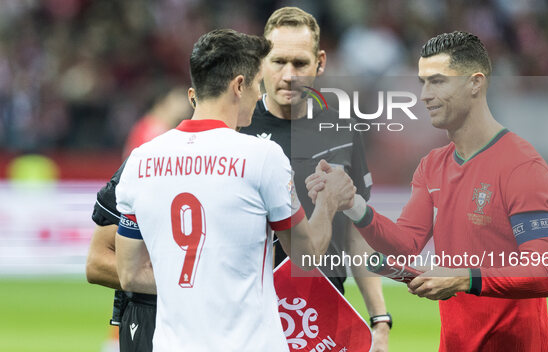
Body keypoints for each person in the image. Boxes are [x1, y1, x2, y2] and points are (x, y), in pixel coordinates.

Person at [307, 31, 548, 352]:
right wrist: (352, 204)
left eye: (438, 81)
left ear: (475, 83)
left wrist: (464, 278)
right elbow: (406, 244)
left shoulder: (521, 167)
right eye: (423, 82)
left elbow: (547, 272)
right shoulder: (433, 165)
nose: (424, 95)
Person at [114, 28, 355, 351]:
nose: (260, 96)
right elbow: (305, 255)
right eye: (257, 85)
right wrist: (328, 202)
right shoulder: (262, 157)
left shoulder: (140, 160)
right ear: (239, 85)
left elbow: (129, 274)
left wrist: (192, 285)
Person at [239, 8, 390, 349]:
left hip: (322, 320)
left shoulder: (344, 130)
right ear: (261, 61)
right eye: (278, 62)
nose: (289, 74)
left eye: (300, 63)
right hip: (251, 320)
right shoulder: (237, 129)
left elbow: (356, 232)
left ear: (320, 62)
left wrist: (379, 318)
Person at [86, 88, 189, 351]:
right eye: (176, 100)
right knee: (133, 274)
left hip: (132, 209)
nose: (182, 107)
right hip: (138, 211)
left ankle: (114, 339)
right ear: (163, 101)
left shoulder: (147, 128)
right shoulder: (155, 132)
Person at [122, 87, 191, 159]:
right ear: (162, 103)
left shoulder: (150, 125)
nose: (185, 105)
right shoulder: (154, 131)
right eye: (178, 100)